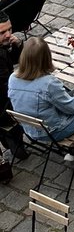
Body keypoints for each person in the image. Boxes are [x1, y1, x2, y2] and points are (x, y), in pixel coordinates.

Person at [8, 36, 74, 165]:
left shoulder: (13, 78)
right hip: (55, 130)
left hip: (32, 129)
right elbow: (72, 108)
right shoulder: (48, 82)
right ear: (46, 57)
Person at [0, 12, 26, 175]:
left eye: (9, 29)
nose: (8, 35)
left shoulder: (2, 50)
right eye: (2, 32)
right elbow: (8, 88)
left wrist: (17, 46)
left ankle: (13, 140)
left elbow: (15, 60)